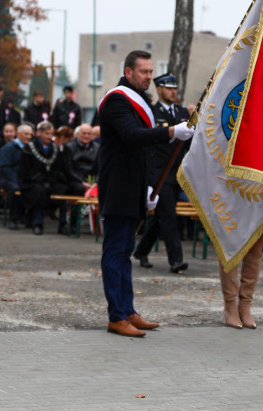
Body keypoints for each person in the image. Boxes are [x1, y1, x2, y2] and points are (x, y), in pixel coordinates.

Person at [96, 50, 194, 337]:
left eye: (151, 72)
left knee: (126, 252)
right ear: (129, 72)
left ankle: (128, 311)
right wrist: (171, 132)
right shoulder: (117, 100)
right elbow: (130, 136)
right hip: (118, 188)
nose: (149, 77)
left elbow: (147, 151)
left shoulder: (143, 102)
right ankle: (116, 316)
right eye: (144, 72)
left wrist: (151, 186)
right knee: (115, 252)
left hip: (136, 186)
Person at [132, 72, 189, 274]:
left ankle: (141, 250)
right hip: (160, 172)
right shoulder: (151, 112)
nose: (173, 91)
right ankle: (176, 260)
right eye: (168, 88)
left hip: (179, 172)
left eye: (174, 88)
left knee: (161, 217)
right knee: (168, 216)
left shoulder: (183, 112)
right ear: (159, 90)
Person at [18, 121, 75, 235]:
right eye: (47, 134)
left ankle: (63, 223)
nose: (50, 136)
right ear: (39, 133)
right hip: (33, 182)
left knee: (62, 190)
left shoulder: (55, 148)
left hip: (51, 180)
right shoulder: (28, 149)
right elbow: (25, 170)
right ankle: (37, 223)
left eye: (51, 134)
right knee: (39, 191)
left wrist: (53, 179)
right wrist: (39, 178)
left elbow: (59, 168)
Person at [0, 123, 32, 230]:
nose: (29, 137)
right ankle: (14, 219)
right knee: (15, 189)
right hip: (7, 179)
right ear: (19, 134)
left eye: (30, 134)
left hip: (23, 178)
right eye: (26, 134)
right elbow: (4, 168)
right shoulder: (8, 148)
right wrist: (17, 180)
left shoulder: (30, 148)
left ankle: (29, 218)